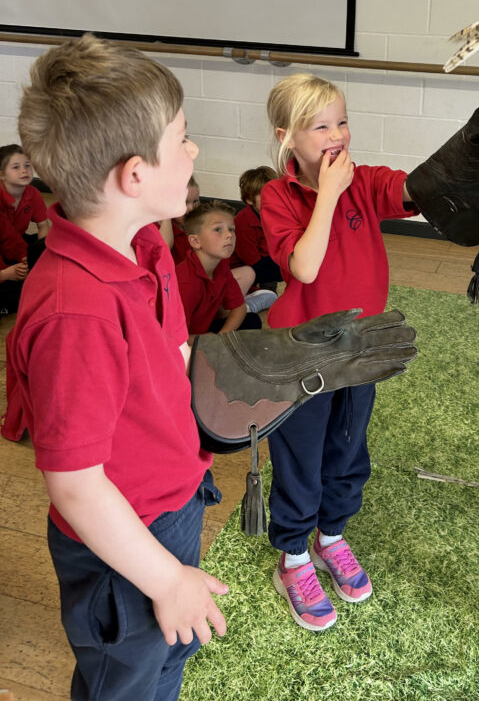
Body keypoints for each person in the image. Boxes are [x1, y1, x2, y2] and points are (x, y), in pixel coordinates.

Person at [6, 34, 229, 700]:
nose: (193, 153)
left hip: (173, 497)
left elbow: (172, 348)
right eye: (183, 139)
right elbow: (75, 485)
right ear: (134, 176)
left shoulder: (143, 243)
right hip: (120, 544)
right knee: (124, 682)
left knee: (165, 661)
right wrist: (166, 579)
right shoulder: (77, 314)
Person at [260, 72, 417, 632]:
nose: (337, 135)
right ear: (287, 137)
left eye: (342, 121)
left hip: (359, 350)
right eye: (320, 125)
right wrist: (327, 193)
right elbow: (303, 266)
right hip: (300, 354)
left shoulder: (365, 180)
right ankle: (294, 558)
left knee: (348, 450)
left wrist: (476, 152)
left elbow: (415, 188)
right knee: (300, 456)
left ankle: (330, 538)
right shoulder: (275, 196)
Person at [175, 199, 267, 336]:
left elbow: (239, 308)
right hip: (182, 340)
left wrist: (221, 336)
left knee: (252, 321)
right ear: (195, 241)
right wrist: (207, 341)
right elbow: (173, 337)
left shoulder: (221, 264)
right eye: (218, 229)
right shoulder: (186, 282)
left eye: (231, 229)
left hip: (205, 331)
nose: (229, 234)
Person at [232, 165, 283, 293]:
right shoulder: (242, 223)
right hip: (246, 270)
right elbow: (253, 262)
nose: (272, 199)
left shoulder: (274, 215)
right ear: (249, 199)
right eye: (265, 195)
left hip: (265, 261)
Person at [0, 143, 51, 241]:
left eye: (27, 165)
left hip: (17, 240)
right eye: (16, 167)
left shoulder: (33, 194)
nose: (24, 170)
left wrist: (42, 249)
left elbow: (43, 226)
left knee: (53, 239)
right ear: (2, 175)